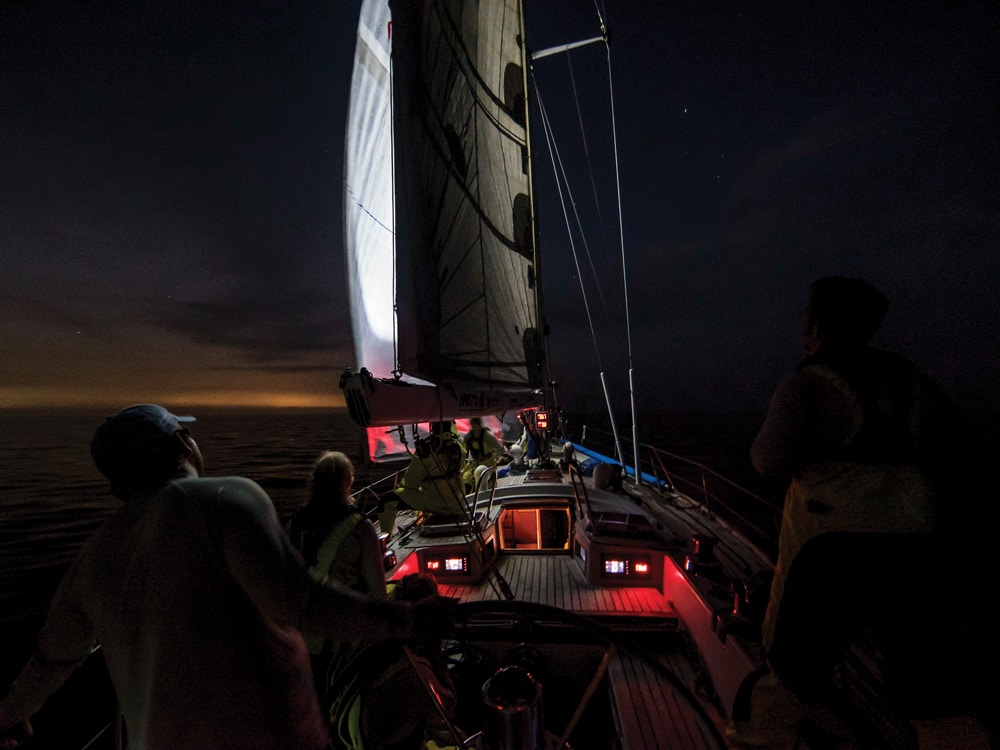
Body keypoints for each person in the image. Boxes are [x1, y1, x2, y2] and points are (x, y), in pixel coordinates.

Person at [0, 404, 412, 750]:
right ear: (182, 445)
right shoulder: (228, 496)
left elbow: (52, 658)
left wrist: (9, 714)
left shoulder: (91, 556)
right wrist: (406, 619)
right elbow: (302, 604)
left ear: (116, 484)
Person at [737, 277, 965, 746]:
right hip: (915, 549)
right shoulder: (918, 386)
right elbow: (953, 454)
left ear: (817, 324)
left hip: (828, 553)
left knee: (784, 680)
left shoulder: (807, 385)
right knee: (936, 697)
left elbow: (766, 460)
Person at [287, 450, 387, 699]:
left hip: (299, 637)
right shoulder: (361, 528)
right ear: (348, 483)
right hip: (339, 645)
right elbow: (378, 595)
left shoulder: (294, 524)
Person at [376, 422, 469, 538]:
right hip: (458, 502)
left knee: (387, 500)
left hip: (436, 503)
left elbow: (410, 483)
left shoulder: (426, 451)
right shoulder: (459, 444)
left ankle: (387, 538)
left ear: (432, 428)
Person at [461, 417, 508, 491]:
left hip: (488, 462)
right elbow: (469, 450)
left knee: (487, 482)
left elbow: (499, 447)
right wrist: (469, 461)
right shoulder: (469, 436)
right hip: (475, 463)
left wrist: (499, 457)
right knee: (467, 479)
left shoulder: (488, 435)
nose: (475, 428)